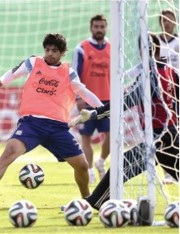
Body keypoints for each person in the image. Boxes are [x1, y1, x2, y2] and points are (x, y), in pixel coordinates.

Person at [0, 33, 104, 205]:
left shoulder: (69, 73)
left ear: (62, 53)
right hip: (31, 123)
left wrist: (103, 108)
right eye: (47, 49)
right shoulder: (34, 63)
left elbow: (84, 92)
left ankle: (87, 199)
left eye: (54, 51)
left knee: (82, 166)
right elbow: (14, 72)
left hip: (58, 128)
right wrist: (1, 81)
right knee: (9, 153)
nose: (49, 53)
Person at [70, 33, 179, 210]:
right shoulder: (170, 71)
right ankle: (95, 202)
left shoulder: (149, 76)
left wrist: (93, 114)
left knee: (121, 166)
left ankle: (93, 203)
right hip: (171, 134)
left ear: (142, 51)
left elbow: (124, 102)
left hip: (160, 138)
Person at [71, 14, 110, 184]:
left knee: (111, 135)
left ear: (106, 28)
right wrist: (78, 98)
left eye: (102, 26)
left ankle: (101, 162)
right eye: (96, 26)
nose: (99, 29)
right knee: (86, 137)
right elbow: (75, 75)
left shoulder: (113, 47)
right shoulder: (81, 48)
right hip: (88, 101)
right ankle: (89, 170)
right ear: (91, 28)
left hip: (108, 101)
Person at [157, 9, 179, 184]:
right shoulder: (155, 43)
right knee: (164, 133)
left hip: (177, 89)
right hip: (161, 92)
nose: (167, 23)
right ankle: (168, 172)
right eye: (164, 20)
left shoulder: (178, 42)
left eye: (170, 19)